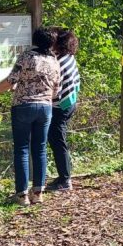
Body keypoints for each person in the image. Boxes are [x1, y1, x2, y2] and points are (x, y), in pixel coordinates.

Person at [0, 27, 61, 205]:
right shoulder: (54, 61)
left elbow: (11, 81)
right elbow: (56, 88)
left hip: (23, 106)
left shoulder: (26, 57)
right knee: (40, 149)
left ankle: (22, 194)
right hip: (45, 107)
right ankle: (38, 192)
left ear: (35, 40)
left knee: (22, 149)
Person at [46, 27, 81, 192]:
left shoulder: (57, 60)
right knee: (58, 139)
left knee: (57, 140)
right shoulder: (69, 57)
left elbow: (54, 87)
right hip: (69, 102)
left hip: (59, 106)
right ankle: (64, 176)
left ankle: (65, 179)